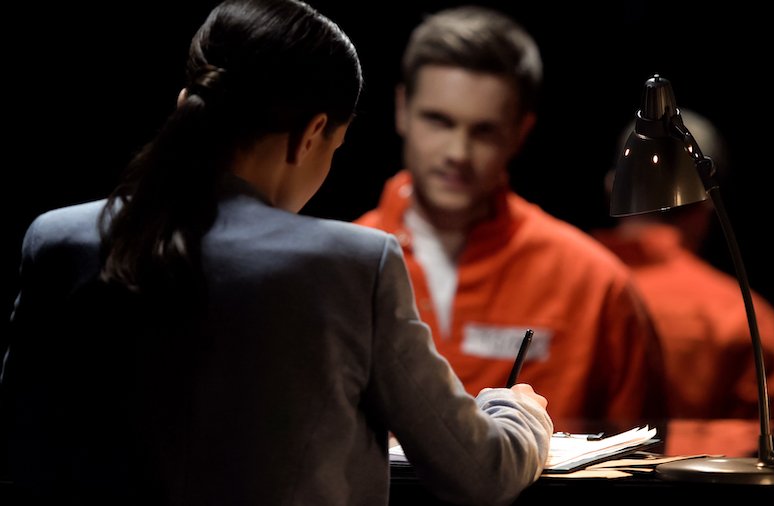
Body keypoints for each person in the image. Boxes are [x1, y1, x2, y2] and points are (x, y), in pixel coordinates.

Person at [0, 1, 553, 505]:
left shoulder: (55, 239)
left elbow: (20, 451)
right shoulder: (354, 265)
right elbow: (480, 472)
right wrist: (517, 413)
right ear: (312, 135)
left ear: (185, 105)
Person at [355, 5, 667, 432]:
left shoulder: (593, 284)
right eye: (439, 121)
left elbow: (640, 459)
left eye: (483, 131)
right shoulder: (338, 265)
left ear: (520, 131)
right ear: (401, 108)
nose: (457, 153)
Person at [592, 109, 774, 430]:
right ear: (709, 200)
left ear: (612, 187)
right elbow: (762, 458)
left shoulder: (553, 286)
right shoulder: (747, 318)